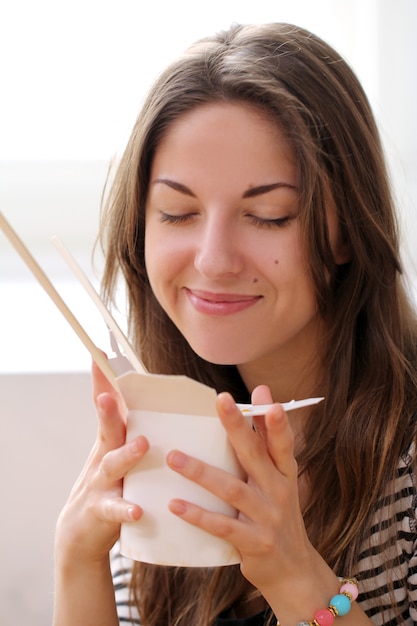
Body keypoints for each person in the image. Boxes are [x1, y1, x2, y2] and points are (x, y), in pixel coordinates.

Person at [53, 22, 417, 626]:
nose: (214, 259)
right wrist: (76, 559)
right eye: (177, 212)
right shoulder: (166, 436)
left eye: (268, 216)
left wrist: (297, 576)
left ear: (349, 228)